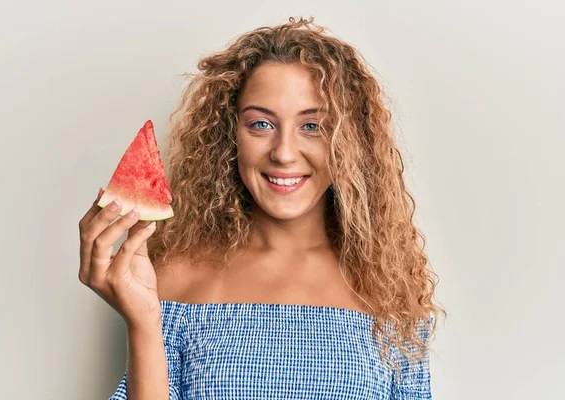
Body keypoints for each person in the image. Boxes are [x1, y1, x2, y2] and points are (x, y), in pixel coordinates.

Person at [78, 16, 445, 400]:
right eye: (260, 125)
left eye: (312, 126)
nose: (284, 153)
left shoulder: (388, 292)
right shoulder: (174, 279)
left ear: (349, 142)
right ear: (229, 135)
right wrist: (144, 321)